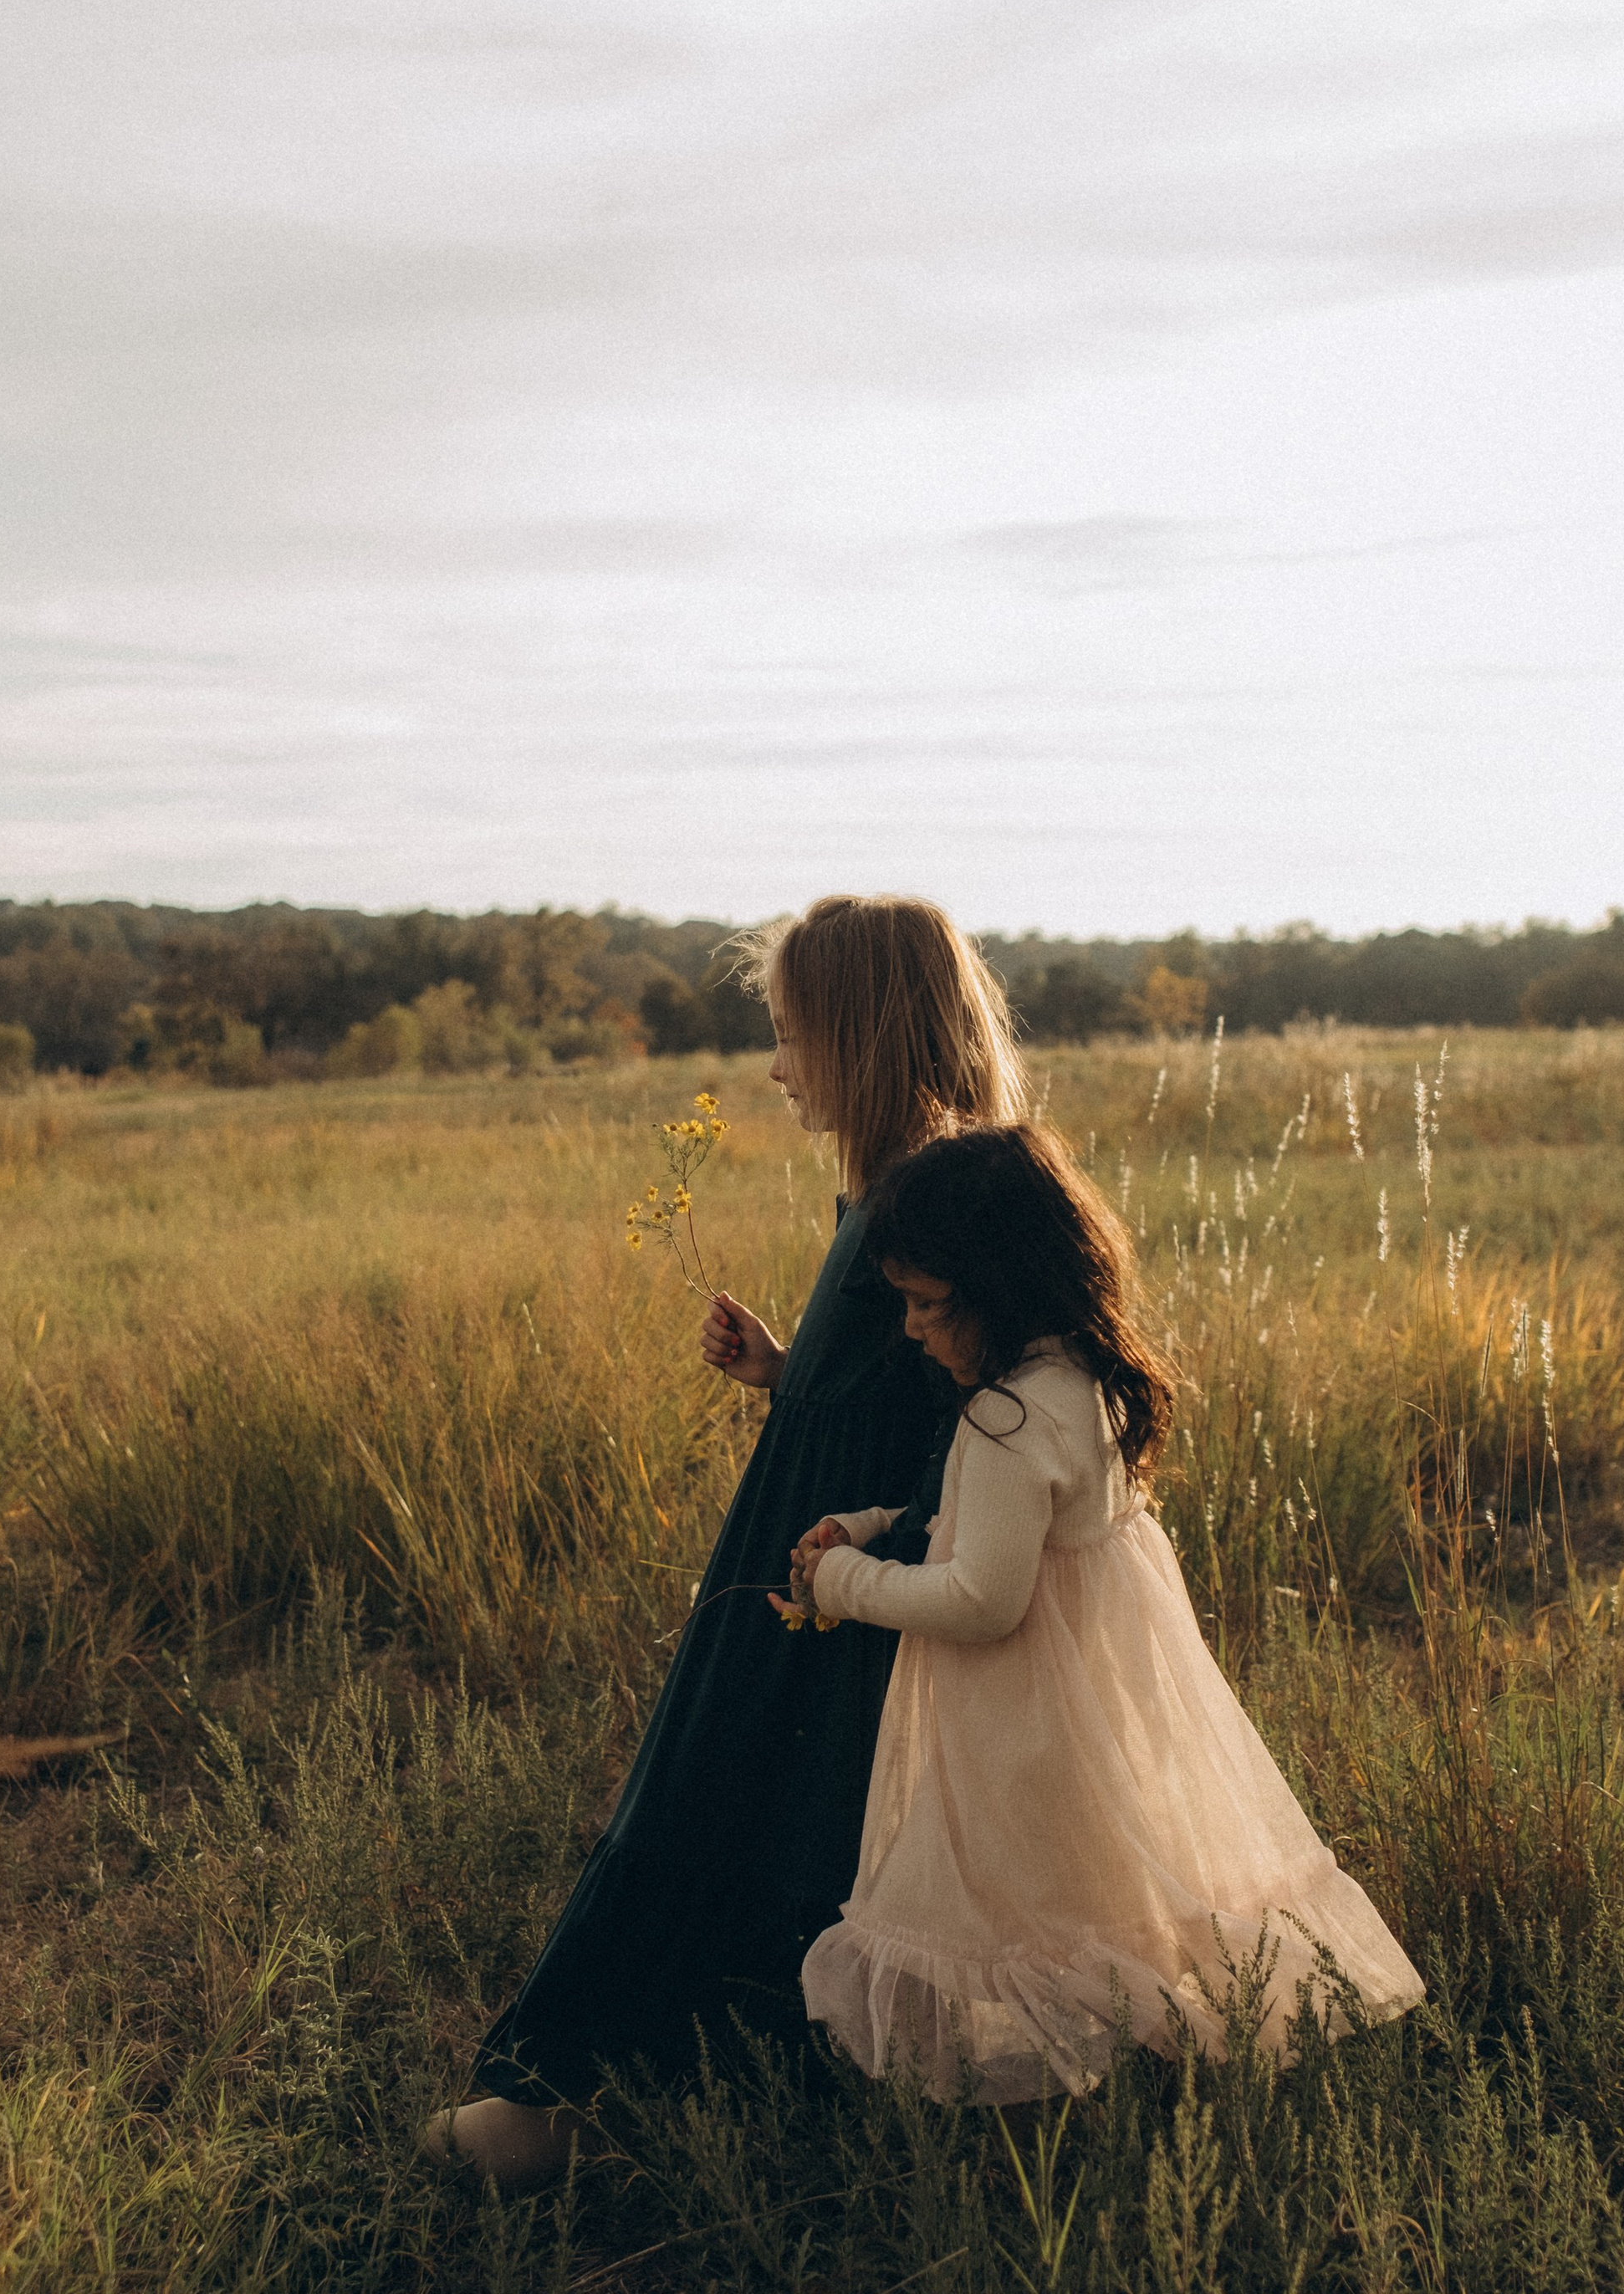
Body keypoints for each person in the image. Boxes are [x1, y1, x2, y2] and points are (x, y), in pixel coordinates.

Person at [430, 897, 1029, 2187]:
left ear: (860, 1036)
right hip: (819, 1566)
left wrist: (855, 1560)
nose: (774, 1067)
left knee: (713, 1801)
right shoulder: (900, 1185)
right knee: (776, 1819)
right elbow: (897, 1391)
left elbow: (977, 1421)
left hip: (834, 1582)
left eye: (789, 1034)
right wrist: (785, 1375)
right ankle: (727, 2090)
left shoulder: (935, 1196)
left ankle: (567, 2101)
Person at [789, 1124, 1425, 2102]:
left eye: (923, 1303)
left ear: (995, 1285)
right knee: (1099, 1876)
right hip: (1093, 1683)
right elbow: (977, 1520)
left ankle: (1084, 2072)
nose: (909, 1329)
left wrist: (843, 1586)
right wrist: (875, 1523)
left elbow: (981, 1597)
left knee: (1025, 1891)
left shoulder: (1004, 1417)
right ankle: (1137, 2053)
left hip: (1023, 1700)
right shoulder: (1075, 1379)